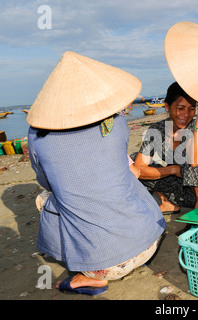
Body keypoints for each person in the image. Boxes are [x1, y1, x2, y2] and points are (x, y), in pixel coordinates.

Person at [27, 51, 165, 295]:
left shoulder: (38, 136)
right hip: (149, 241)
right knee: (122, 176)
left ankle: (85, 275)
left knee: (46, 198)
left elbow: (45, 180)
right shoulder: (116, 122)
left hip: (101, 267)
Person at [132, 82, 198, 212]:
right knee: (132, 160)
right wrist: (172, 170)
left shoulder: (195, 128)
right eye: (180, 108)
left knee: (194, 161)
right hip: (178, 190)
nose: (186, 114)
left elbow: (195, 162)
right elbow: (139, 168)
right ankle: (166, 202)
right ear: (167, 106)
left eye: (192, 108)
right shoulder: (156, 130)